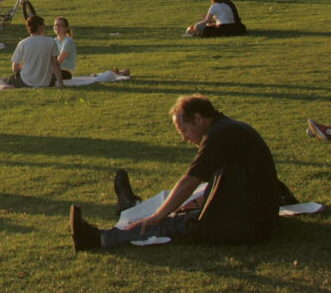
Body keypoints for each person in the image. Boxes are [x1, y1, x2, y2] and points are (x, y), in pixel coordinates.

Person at [71, 95, 282, 250]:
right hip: (254, 212)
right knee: (179, 209)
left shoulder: (218, 136)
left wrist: (158, 216)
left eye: (184, 130)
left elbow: (190, 180)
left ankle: (98, 239)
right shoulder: (227, 128)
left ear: (198, 119)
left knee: (168, 223)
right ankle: (130, 208)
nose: (184, 138)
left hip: (250, 222)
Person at [52, 17, 127, 85]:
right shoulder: (54, 41)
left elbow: (59, 61)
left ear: (66, 28)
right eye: (56, 25)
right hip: (56, 70)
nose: (57, 27)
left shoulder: (68, 42)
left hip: (65, 71)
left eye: (60, 25)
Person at [0, 15, 59, 88]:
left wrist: (28, 68)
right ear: (40, 27)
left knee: (1, 82)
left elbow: (15, 68)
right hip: (45, 82)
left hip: (26, 81)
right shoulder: (51, 41)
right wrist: (60, 82)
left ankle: (8, 86)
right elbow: (55, 64)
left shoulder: (23, 43)